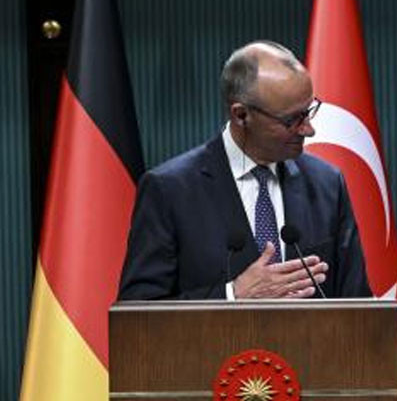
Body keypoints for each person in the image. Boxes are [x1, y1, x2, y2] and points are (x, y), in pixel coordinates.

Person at [118, 40, 370, 300]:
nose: (309, 129)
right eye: (292, 120)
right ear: (241, 115)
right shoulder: (169, 190)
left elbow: (359, 305)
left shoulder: (327, 184)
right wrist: (232, 295)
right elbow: (138, 309)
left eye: (309, 111)